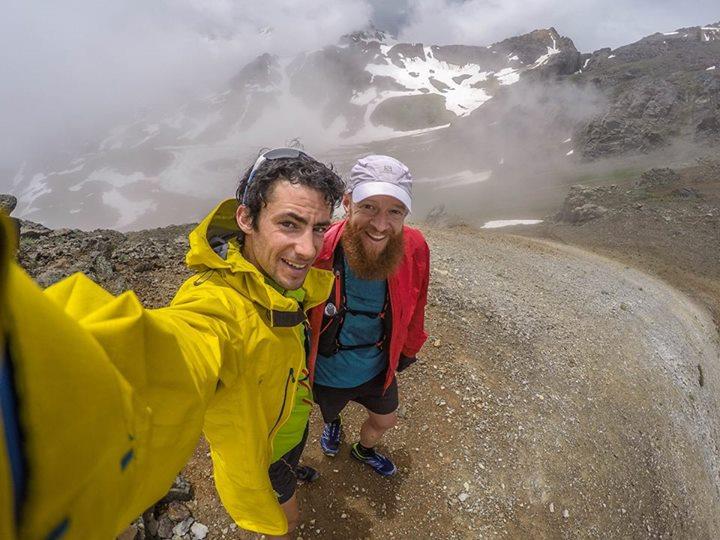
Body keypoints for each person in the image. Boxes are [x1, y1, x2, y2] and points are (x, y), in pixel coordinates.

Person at [0, 148, 344, 539]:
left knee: (291, 457)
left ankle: (293, 463)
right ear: (245, 218)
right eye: (289, 223)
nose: (309, 249)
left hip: (290, 425)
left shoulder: (282, 281)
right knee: (287, 523)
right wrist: (27, 370)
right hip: (262, 456)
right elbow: (175, 347)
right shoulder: (217, 304)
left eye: (318, 228)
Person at [307, 155, 430, 477]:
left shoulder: (414, 246)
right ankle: (333, 424)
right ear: (347, 204)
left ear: (405, 215)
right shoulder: (318, 249)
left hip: (377, 368)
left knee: (385, 419)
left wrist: (409, 349)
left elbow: (417, 301)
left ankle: (364, 449)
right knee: (329, 409)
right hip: (326, 371)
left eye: (394, 211)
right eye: (369, 207)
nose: (380, 224)